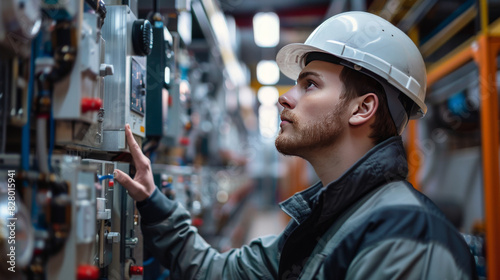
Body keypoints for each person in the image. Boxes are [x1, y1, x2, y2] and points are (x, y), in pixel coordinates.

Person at [113, 11, 477, 280]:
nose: (284, 99)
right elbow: (219, 272)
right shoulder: (324, 221)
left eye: (310, 85)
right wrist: (153, 200)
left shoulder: (405, 239)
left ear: (362, 108)